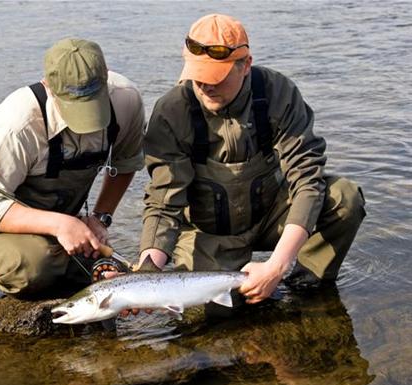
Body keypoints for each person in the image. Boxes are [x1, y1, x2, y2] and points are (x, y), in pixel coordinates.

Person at [139, 14, 366, 305]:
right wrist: (147, 271)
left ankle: (305, 289)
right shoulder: (172, 111)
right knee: (212, 310)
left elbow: (307, 182)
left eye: (214, 78)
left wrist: (277, 265)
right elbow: (163, 202)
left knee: (345, 198)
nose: (204, 87)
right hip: (210, 233)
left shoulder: (277, 92)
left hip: (272, 217)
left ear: (245, 65)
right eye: (197, 77)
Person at [0, 38, 145, 297]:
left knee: (113, 271)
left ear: (106, 79)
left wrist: (100, 219)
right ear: (48, 86)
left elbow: (126, 164)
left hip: (49, 215)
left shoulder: (127, 99)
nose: (88, 123)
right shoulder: (16, 122)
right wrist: (60, 225)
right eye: (76, 108)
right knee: (35, 266)